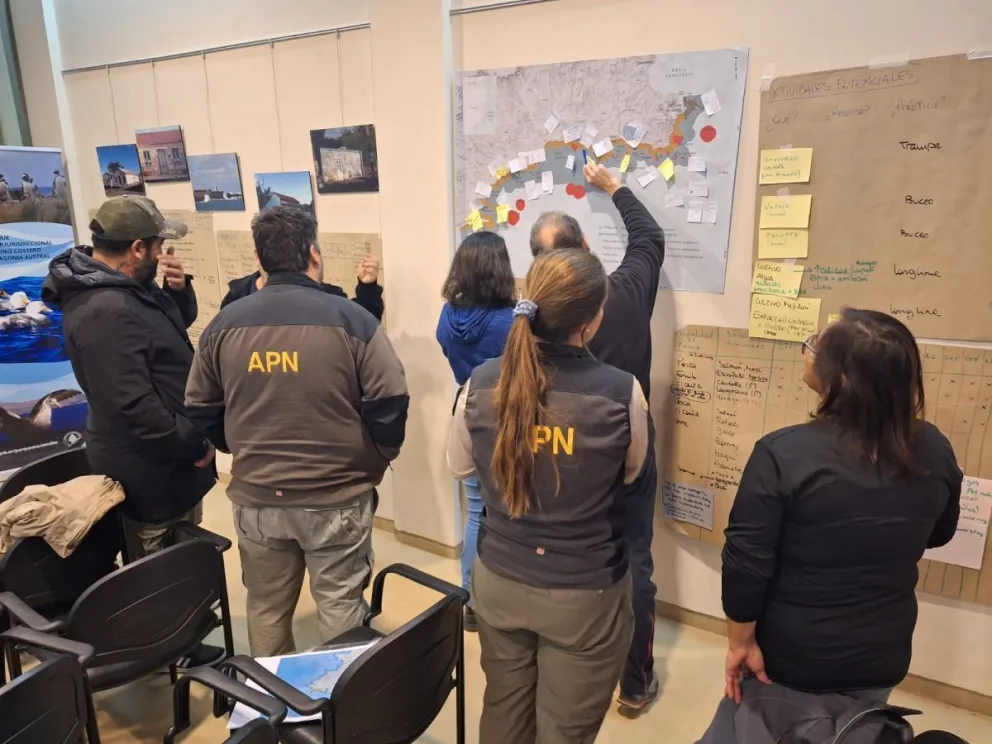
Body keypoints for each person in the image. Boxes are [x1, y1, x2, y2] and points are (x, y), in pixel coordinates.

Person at [697, 309, 962, 744]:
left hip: (789, 660)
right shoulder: (933, 447)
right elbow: (940, 533)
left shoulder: (783, 454)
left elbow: (745, 566)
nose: (808, 350)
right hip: (881, 654)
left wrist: (739, 645)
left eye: (817, 345)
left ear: (840, 378)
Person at [185, 206, 408, 657]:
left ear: (258, 257)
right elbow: (391, 405)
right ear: (313, 253)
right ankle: (343, 718)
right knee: (342, 607)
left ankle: (272, 713)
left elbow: (199, 407)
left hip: (258, 498)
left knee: (266, 609)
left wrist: (232, 444)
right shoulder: (353, 321)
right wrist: (373, 458)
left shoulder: (223, 325)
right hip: (337, 499)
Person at [447, 248, 650, 744]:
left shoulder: (478, 384)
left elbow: (459, 467)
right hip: (584, 596)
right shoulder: (623, 393)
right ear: (591, 321)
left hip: (498, 582)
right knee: (564, 731)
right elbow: (633, 476)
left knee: (503, 715)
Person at [42, 195, 222, 667]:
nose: (165, 252)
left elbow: (165, 336)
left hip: (173, 461)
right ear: (138, 248)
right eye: (160, 245)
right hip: (149, 469)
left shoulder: (126, 290)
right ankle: (163, 653)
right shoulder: (105, 310)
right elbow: (132, 408)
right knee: (156, 566)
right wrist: (195, 442)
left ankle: (181, 637)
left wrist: (178, 293)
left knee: (180, 554)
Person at [530, 161, 665, 710]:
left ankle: (563, 661)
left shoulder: (531, 320)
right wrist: (616, 188)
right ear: (586, 245)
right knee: (633, 554)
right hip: (625, 440)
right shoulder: (626, 291)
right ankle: (633, 683)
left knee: (559, 549)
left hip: (555, 446)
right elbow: (650, 237)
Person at [436, 230, 515, 632]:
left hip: (466, 412)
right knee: (511, 512)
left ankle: (469, 600)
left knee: (474, 512)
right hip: (508, 419)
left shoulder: (447, 316)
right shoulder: (512, 321)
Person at [220, 252, 384, 320]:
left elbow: (364, 322)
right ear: (258, 253)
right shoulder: (237, 298)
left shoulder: (327, 296)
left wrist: (367, 287)